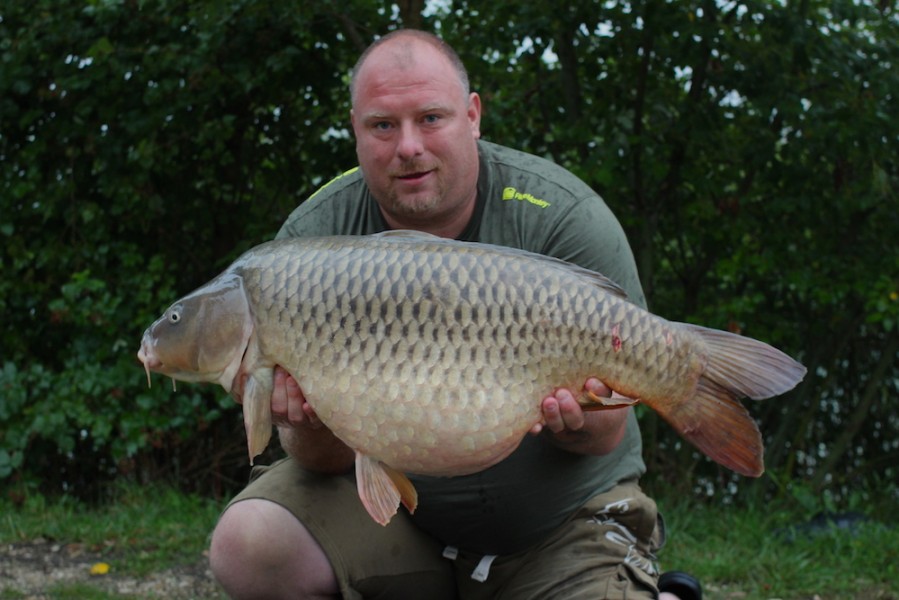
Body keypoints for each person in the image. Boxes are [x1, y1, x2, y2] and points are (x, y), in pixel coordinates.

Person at [209, 29, 701, 600]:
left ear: (473, 115)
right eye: (383, 125)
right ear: (356, 130)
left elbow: (603, 436)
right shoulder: (309, 245)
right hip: (396, 524)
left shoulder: (564, 219)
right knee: (250, 543)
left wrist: (579, 415)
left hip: (558, 529)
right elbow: (318, 460)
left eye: (431, 118)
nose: (408, 146)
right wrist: (306, 423)